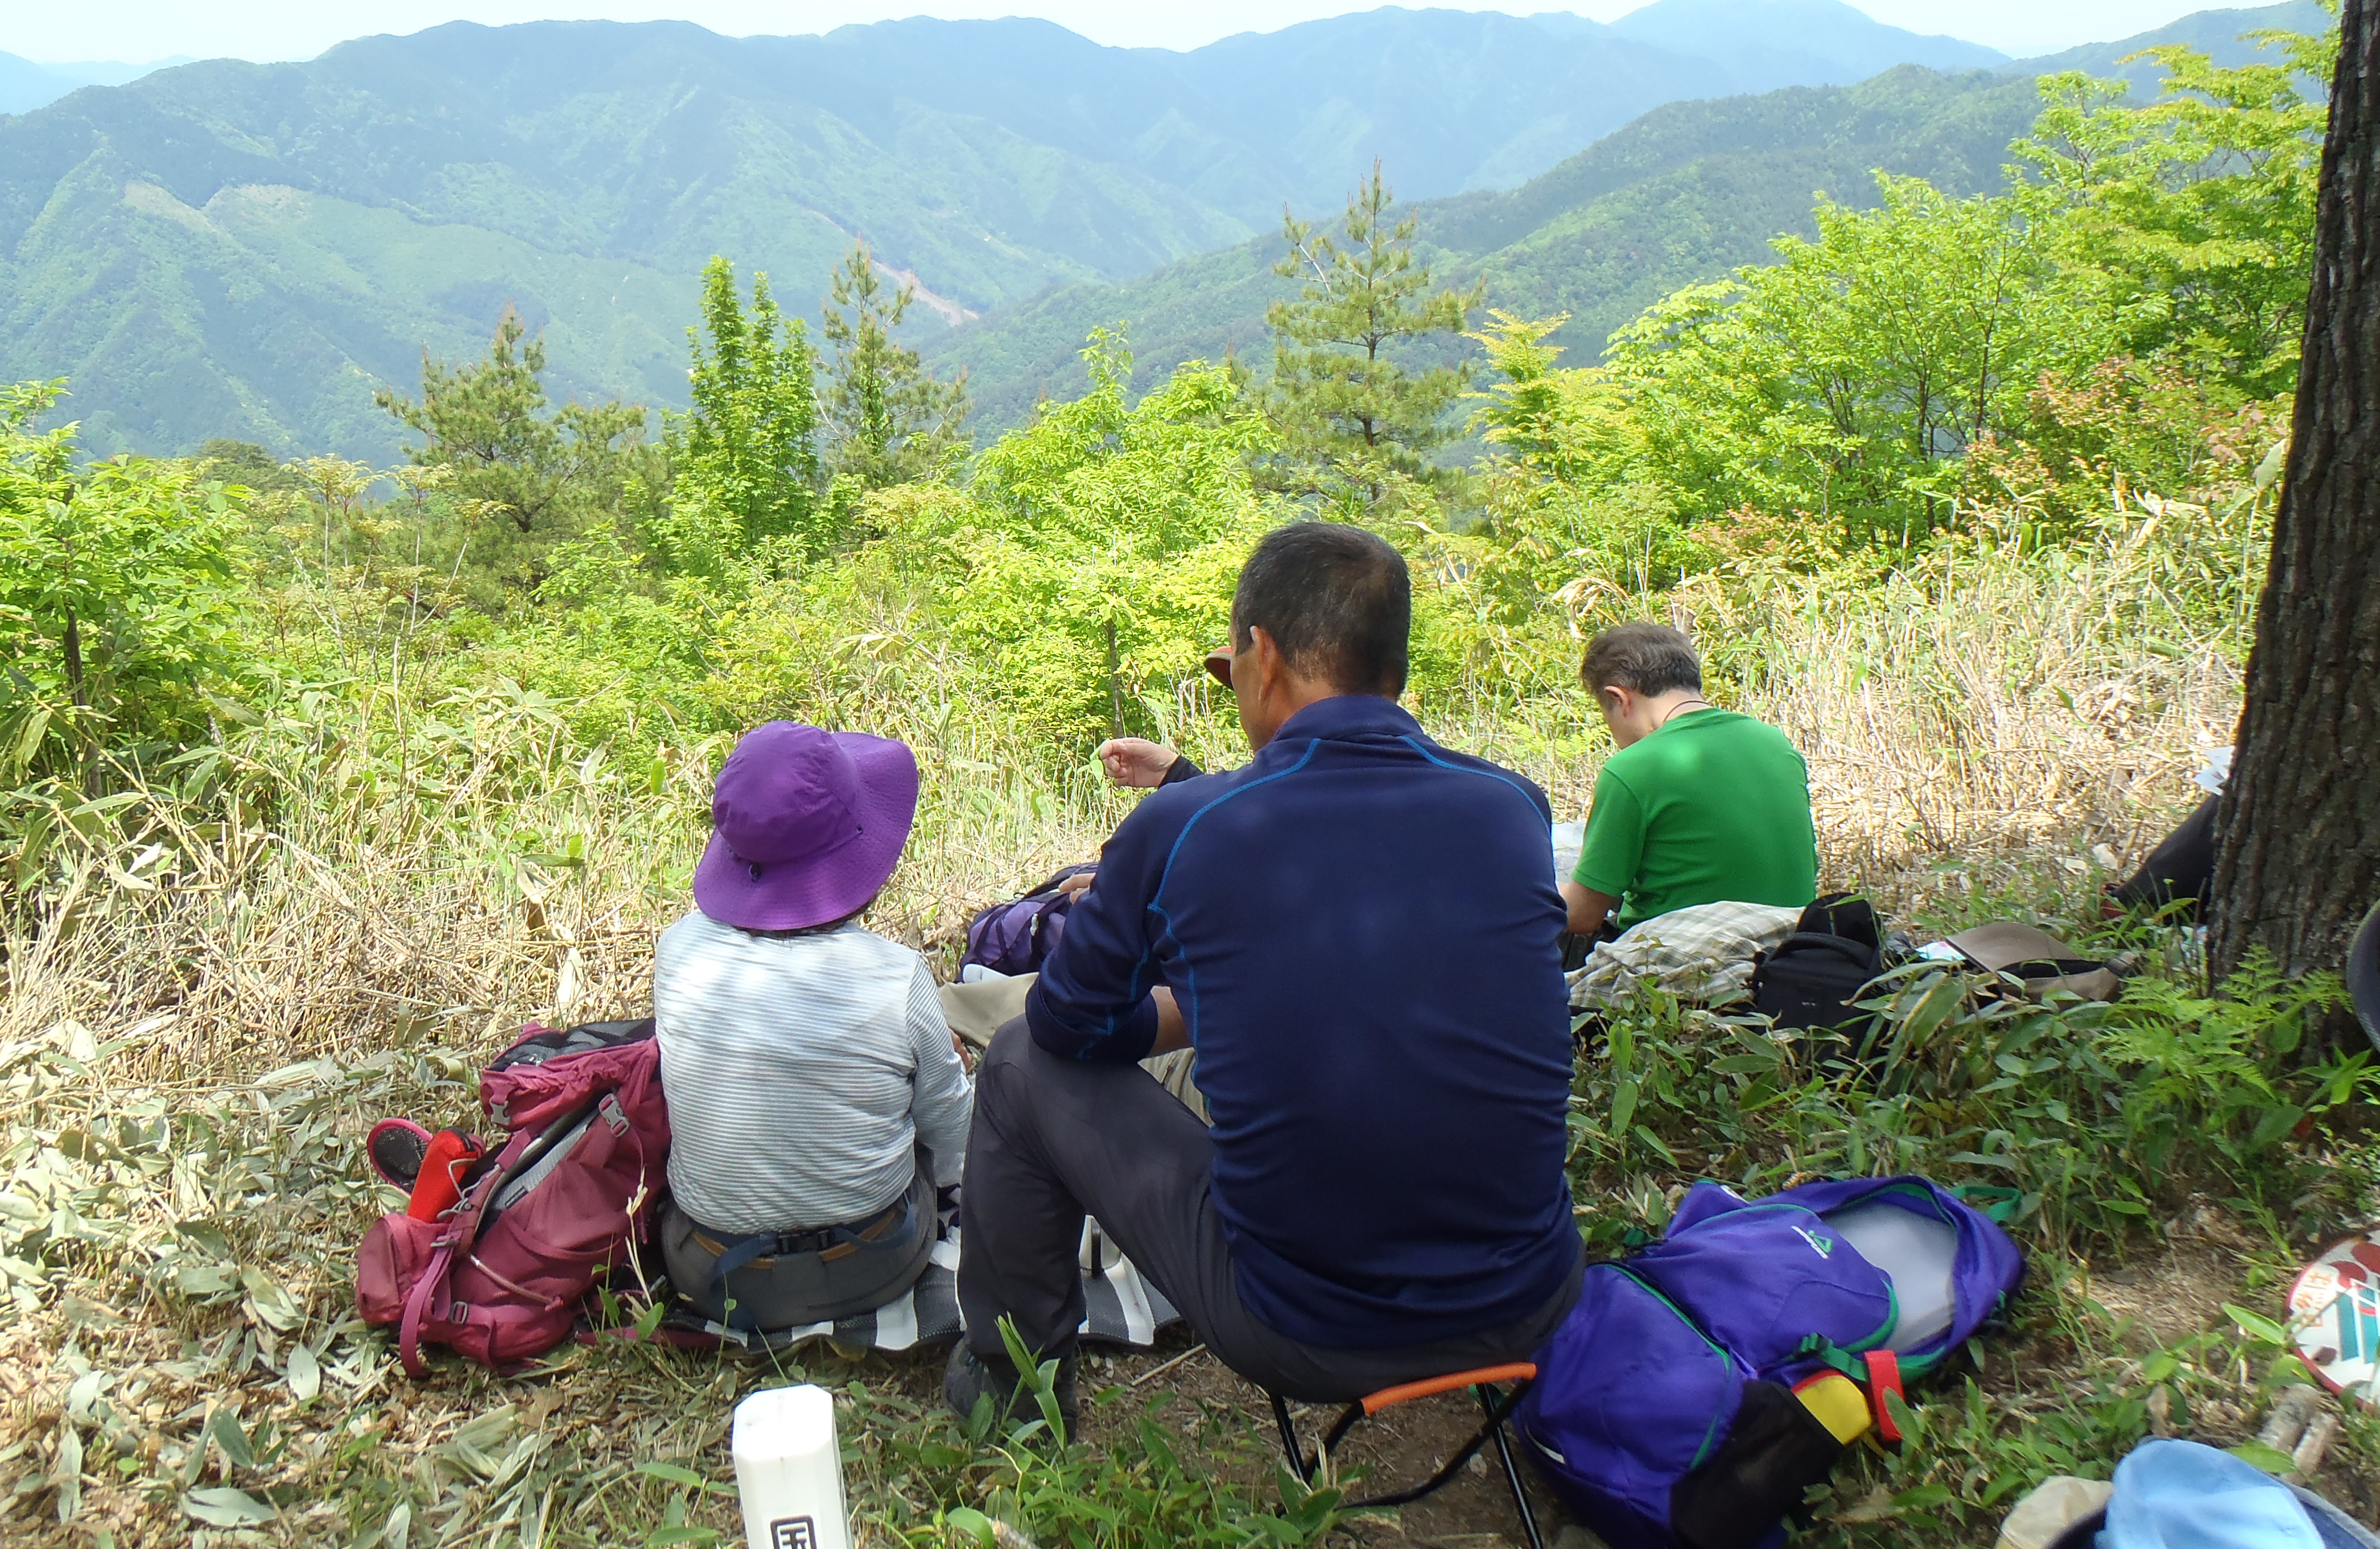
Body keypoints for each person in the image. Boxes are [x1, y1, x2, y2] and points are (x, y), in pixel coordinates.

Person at [946, 522, 1584, 1431]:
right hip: (1533, 1298)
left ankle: (1014, 1395)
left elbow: (1066, 1026)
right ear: (1390, 666)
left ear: (1263, 653)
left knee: (1015, 1063)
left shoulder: (1182, 826)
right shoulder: (1512, 805)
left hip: (1306, 1325)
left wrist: (1181, 1014)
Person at [653, 721, 971, 1333]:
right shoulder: (895, 977)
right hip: (871, 1263)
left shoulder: (678, 950)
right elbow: (952, 1139)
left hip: (708, 1271)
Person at [1562, 623, 1817, 940]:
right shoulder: (1774, 742)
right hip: (1790, 943)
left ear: (1619, 698)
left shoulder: (1632, 768)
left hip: (1692, 956)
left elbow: (1581, 916)